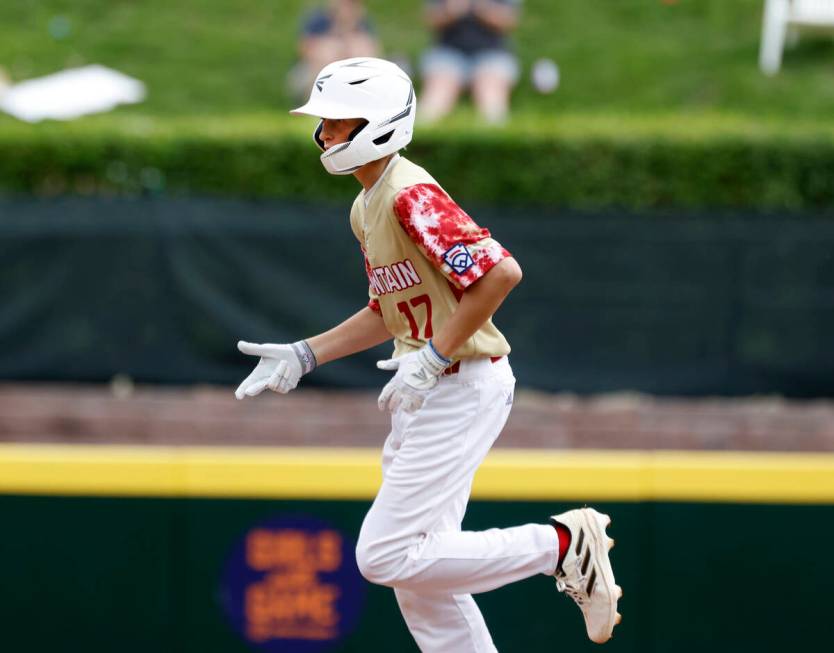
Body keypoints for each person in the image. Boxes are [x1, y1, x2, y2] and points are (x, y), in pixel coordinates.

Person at [235, 57, 621, 652]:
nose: (325, 134)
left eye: (339, 122)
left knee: (384, 555)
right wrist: (305, 355)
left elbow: (501, 274)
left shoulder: (408, 193)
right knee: (418, 573)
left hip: (460, 382)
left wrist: (437, 354)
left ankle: (564, 546)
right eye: (326, 123)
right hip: (430, 384)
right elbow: (386, 310)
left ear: (381, 123)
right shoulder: (367, 205)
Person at [419, 0, 521, 124]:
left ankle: (496, 138)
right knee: (435, 99)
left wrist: (483, 8)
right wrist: (451, 10)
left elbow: (509, 21)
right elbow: (431, 20)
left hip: (492, 55)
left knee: (492, 99)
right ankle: (416, 138)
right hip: (447, 54)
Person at [289, 0, 380, 101]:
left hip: (348, 74)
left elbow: (374, 54)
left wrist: (349, 28)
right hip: (313, 72)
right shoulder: (318, 19)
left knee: (360, 48)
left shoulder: (362, 23)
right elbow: (303, 49)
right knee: (327, 53)